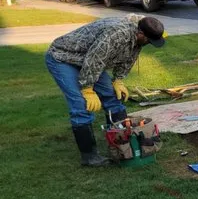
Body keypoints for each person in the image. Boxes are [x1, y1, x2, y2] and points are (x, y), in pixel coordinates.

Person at [46, 15, 166, 166]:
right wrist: (87, 88)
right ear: (140, 34)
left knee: (113, 98)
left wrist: (118, 79)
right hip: (63, 58)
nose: (149, 44)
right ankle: (89, 157)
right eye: (149, 40)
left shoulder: (138, 39)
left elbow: (129, 58)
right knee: (81, 104)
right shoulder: (116, 35)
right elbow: (94, 59)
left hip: (88, 60)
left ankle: (122, 144)